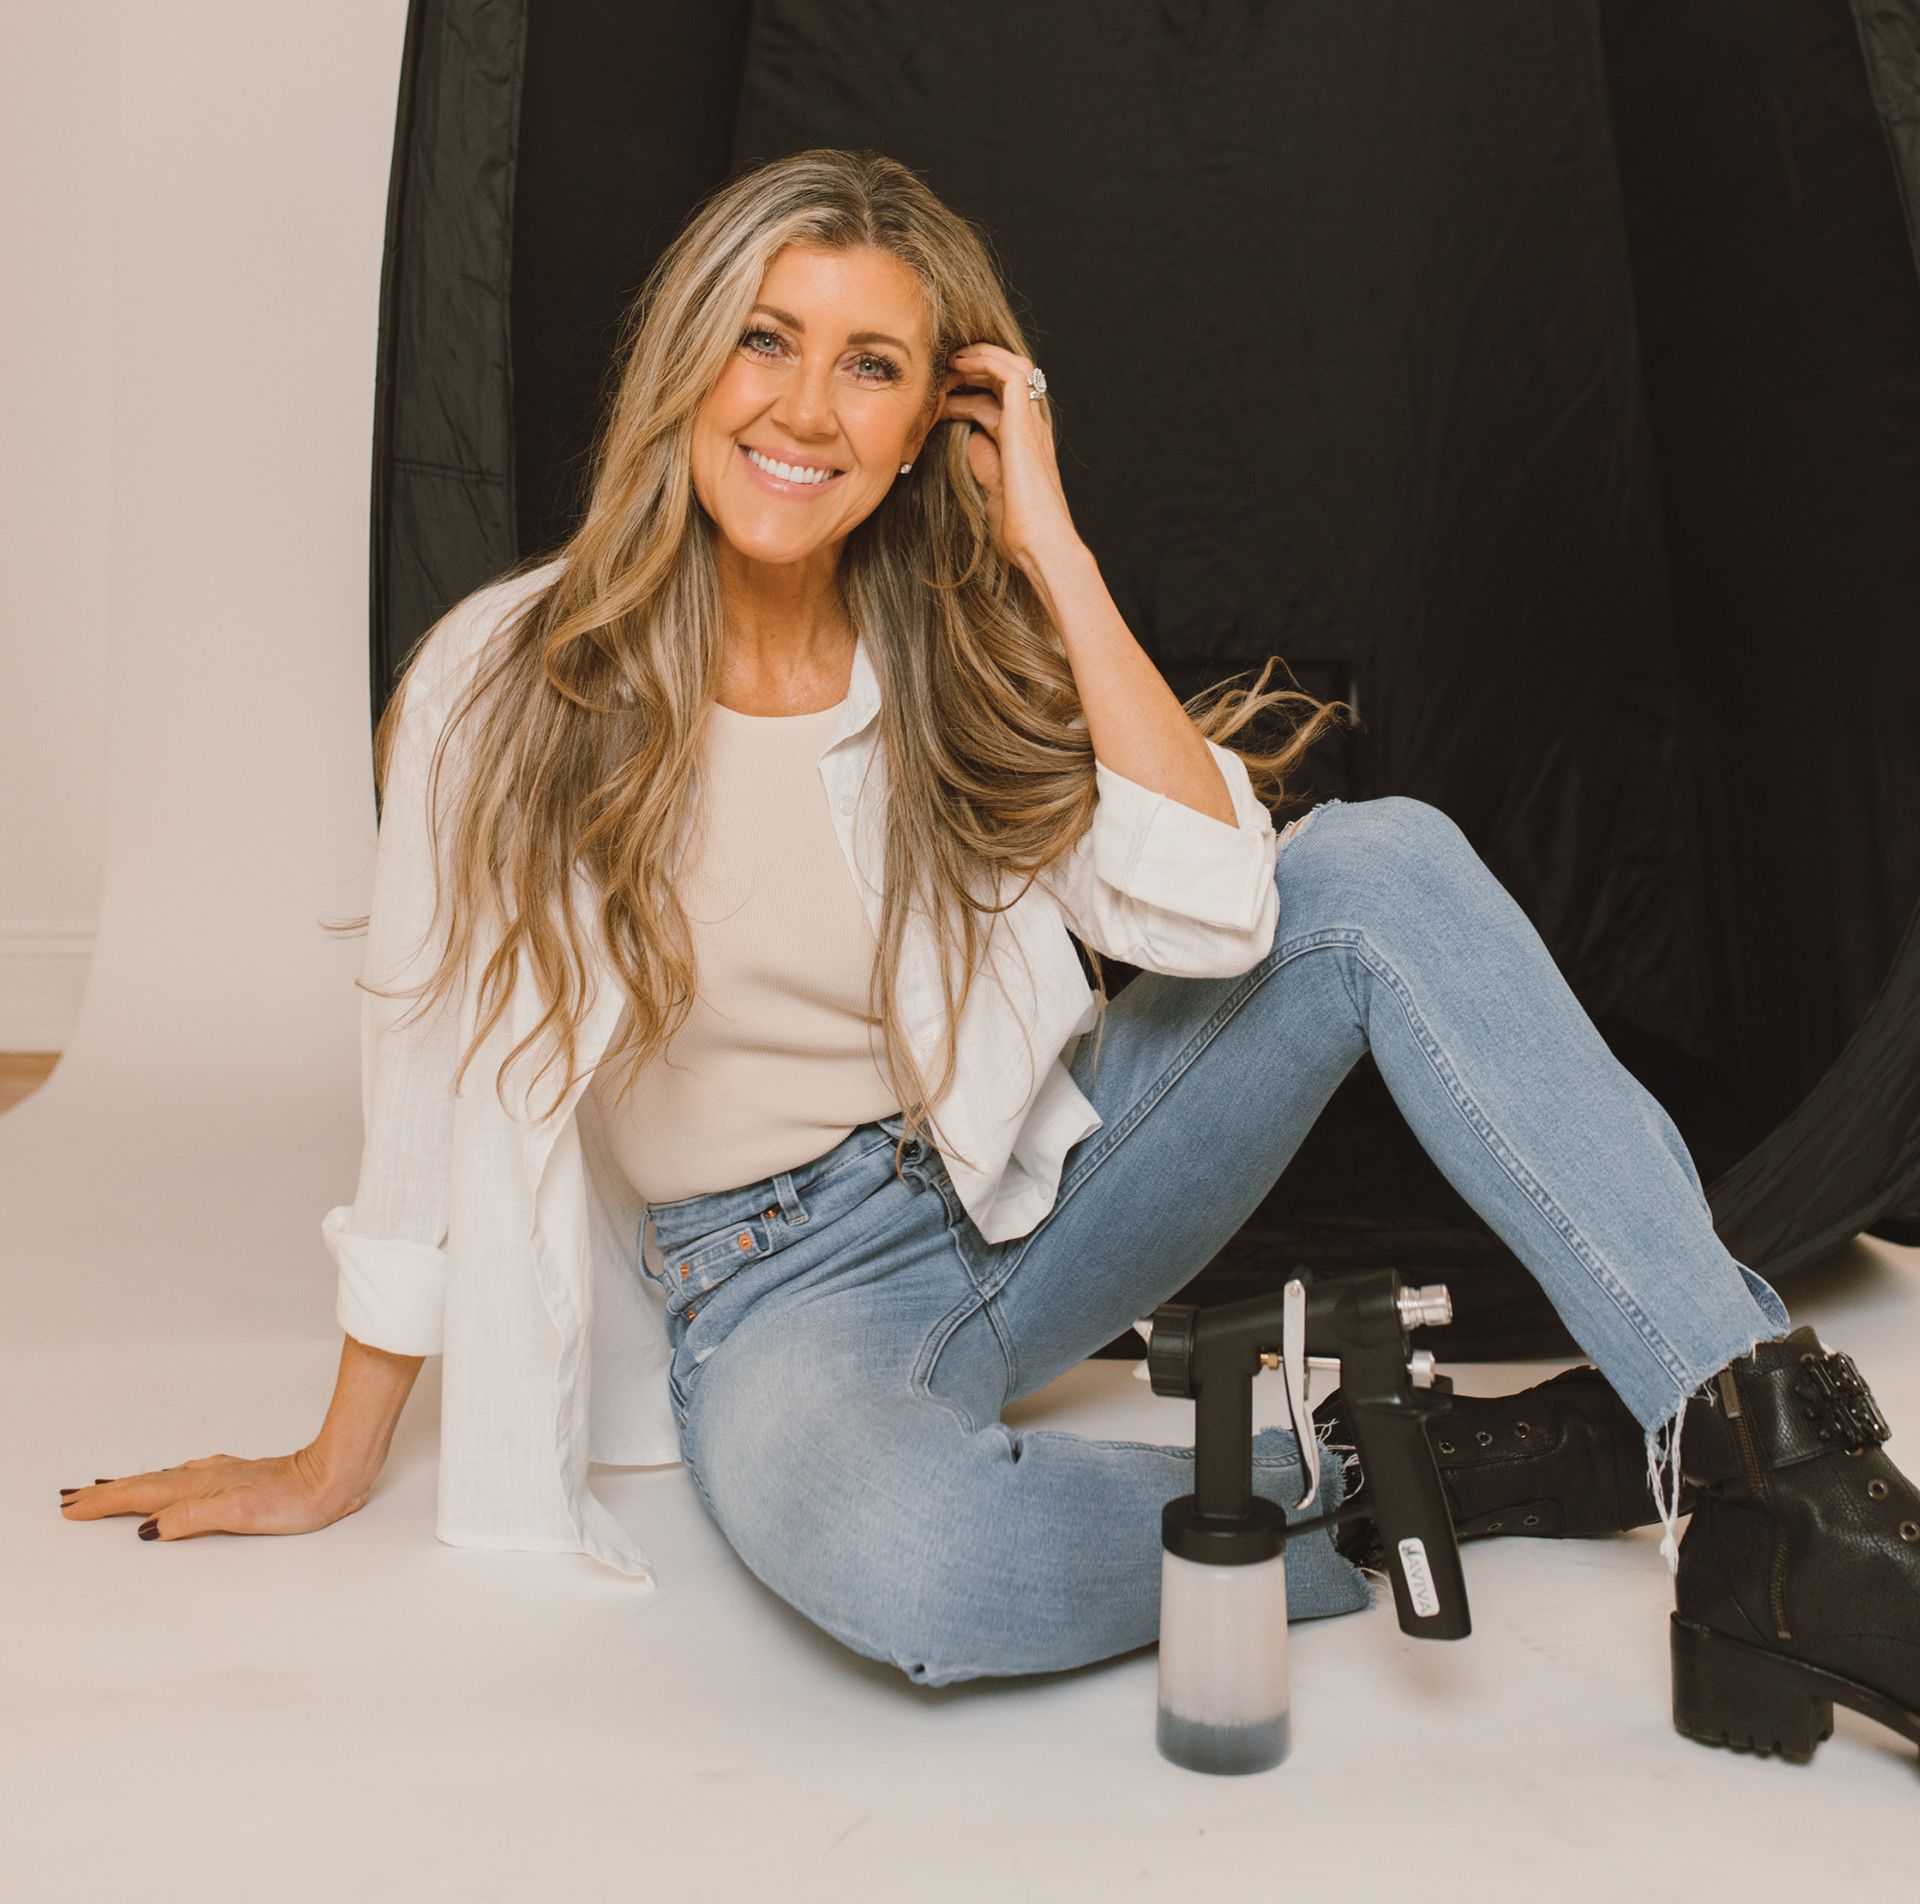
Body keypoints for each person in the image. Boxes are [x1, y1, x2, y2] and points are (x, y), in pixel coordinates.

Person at [62, 148, 1919, 1760]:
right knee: (921, 1567)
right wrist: (331, 1456)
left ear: (930, 416)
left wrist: (1047, 540)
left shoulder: (946, 642)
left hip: (1032, 1193)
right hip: (772, 1300)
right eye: (766, 338)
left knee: (1382, 868)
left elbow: (1226, 914)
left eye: (870, 365)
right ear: (687, 364)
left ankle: (1783, 1476)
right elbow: (424, 1073)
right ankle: (1414, 1472)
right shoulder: (503, 682)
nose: (803, 406)